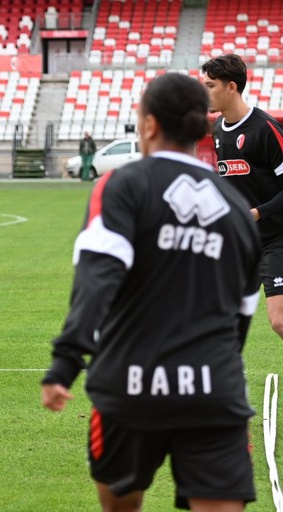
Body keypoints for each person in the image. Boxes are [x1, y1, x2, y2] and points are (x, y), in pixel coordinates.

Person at [41, 73, 261, 511]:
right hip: (214, 388)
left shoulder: (121, 185)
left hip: (130, 384)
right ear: (202, 129)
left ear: (149, 125)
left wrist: (66, 361)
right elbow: (242, 312)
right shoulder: (236, 206)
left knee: (121, 505)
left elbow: (97, 277)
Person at [201, 53, 283, 345]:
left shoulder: (266, 129)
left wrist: (257, 213)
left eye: (210, 85)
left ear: (231, 87)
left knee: (280, 321)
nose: (205, 91)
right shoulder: (218, 130)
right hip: (241, 241)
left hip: (276, 239)